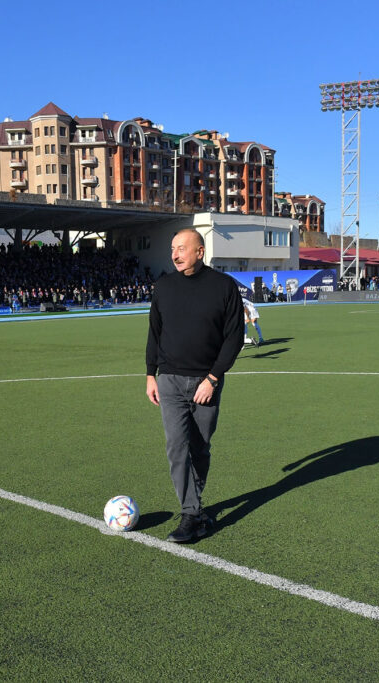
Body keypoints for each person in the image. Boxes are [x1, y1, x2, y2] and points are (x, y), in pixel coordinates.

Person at [145, 229, 244, 543]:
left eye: (182, 248)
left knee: (200, 447)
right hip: (170, 379)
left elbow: (234, 338)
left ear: (200, 251)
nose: (175, 254)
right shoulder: (163, 287)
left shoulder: (224, 287)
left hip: (206, 382)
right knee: (177, 446)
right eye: (173, 248)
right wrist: (150, 373)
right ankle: (190, 513)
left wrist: (213, 378)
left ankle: (195, 507)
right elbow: (154, 333)